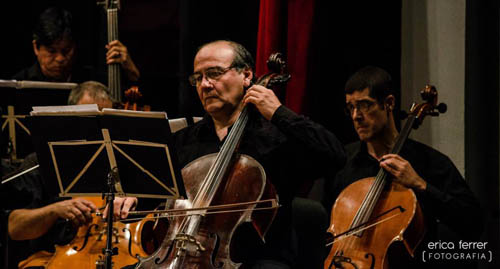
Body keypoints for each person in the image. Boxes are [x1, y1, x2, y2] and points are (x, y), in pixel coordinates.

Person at [120, 40, 345, 268]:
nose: (205, 85)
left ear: (246, 75)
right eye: (198, 78)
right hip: (179, 256)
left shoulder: (276, 137)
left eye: (214, 73)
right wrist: (132, 199)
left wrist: (279, 113)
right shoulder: (182, 141)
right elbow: (152, 198)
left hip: (254, 259)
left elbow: (334, 156)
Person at [323, 66, 483, 268]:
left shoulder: (429, 162)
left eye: (364, 105)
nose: (356, 116)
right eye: (351, 108)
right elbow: (321, 230)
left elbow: (474, 222)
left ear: (388, 103)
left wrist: (420, 184)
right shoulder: (342, 162)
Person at [2, 81, 137, 268]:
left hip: (123, 254)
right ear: (69, 118)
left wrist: (135, 199)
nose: (98, 129)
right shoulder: (41, 162)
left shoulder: (128, 162)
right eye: (89, 119)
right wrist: (55, 210)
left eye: (104, 121)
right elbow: (14, 228)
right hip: (56, 258)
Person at [13, 7, 140, 84]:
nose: (60, 59)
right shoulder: (18, 84)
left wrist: (132, 73)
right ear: (36, 47)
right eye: (52, 51)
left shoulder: (92, 81)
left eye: (66, 50)